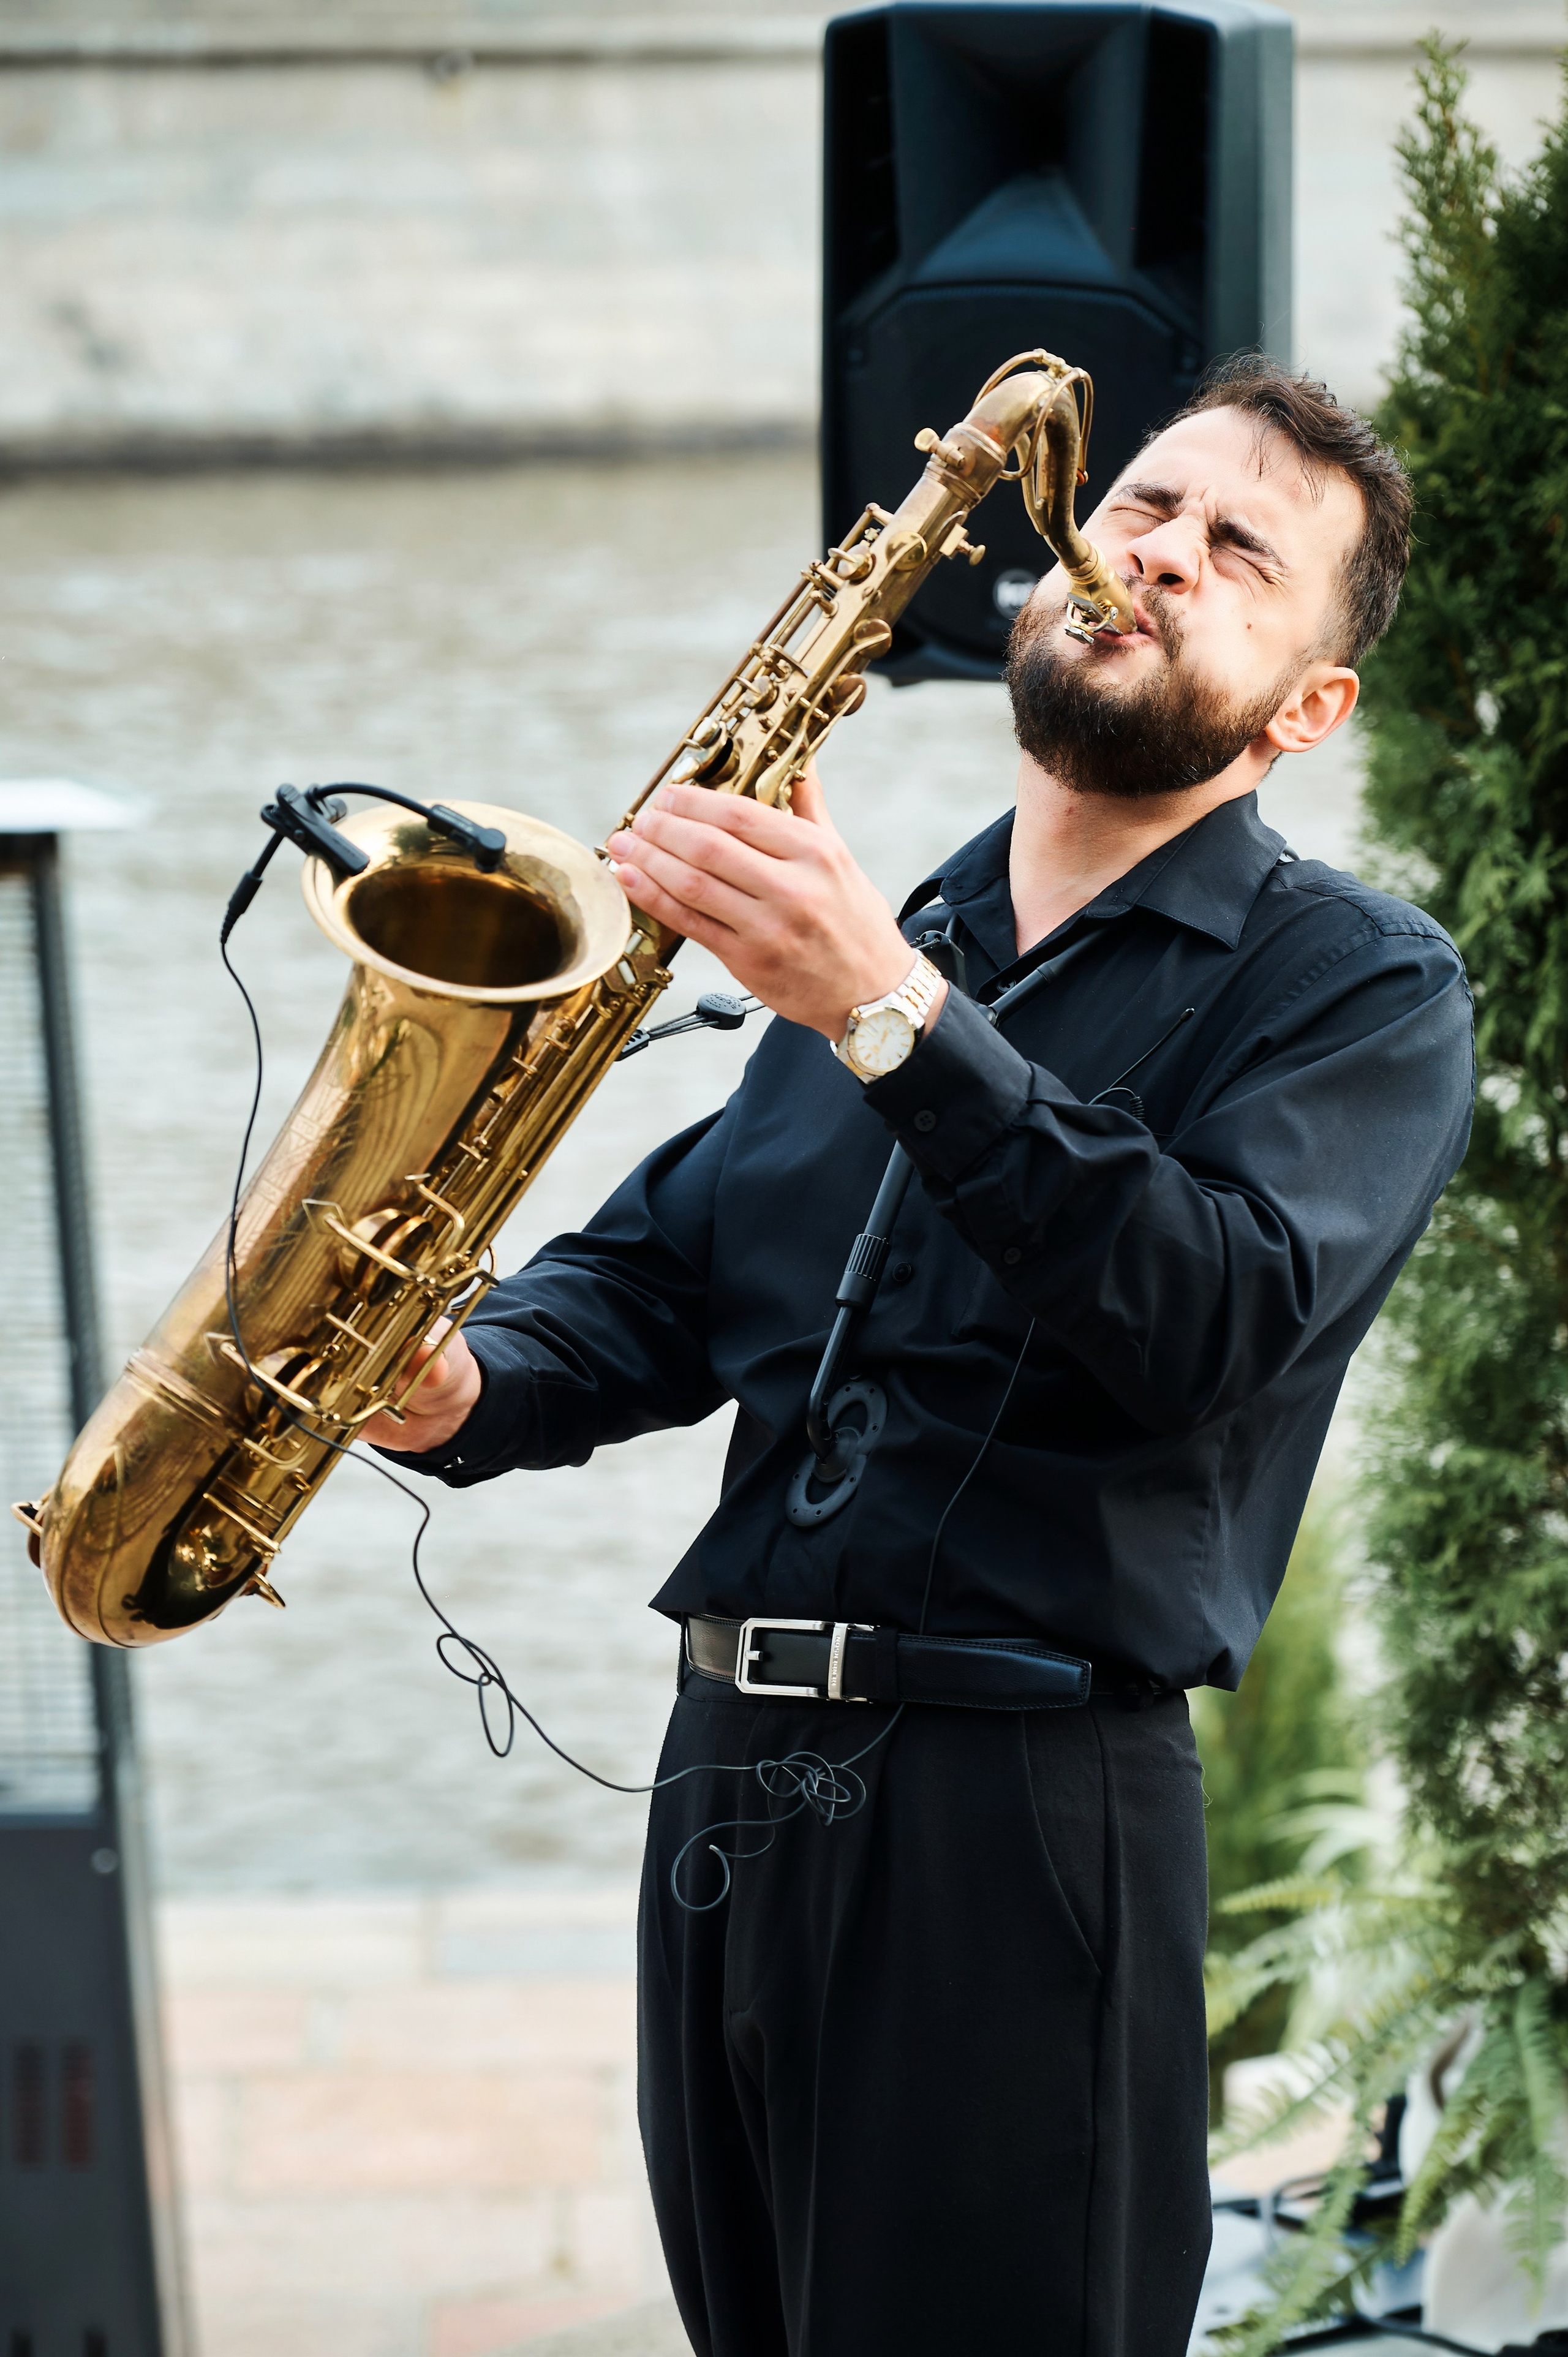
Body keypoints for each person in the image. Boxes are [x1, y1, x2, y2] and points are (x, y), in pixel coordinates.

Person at [364, 356, 1474, 2357]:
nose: (1157, 555)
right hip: (725, 1788)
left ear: (1310, 711)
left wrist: (888, 1009)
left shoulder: (1360, 985)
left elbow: (1206, 1315)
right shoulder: (908, 921)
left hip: (1018, 1806)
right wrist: (462, 1378)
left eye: (1240, 552)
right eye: (1143, 505)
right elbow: (673, 1282)